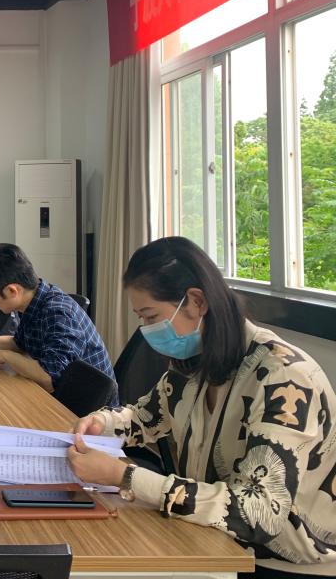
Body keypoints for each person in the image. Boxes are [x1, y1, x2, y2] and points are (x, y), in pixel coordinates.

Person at [66, 236, 335, 577]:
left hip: (282, 561)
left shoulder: (284, 378)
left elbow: (260, 512)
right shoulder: (193, 363)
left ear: (196, 301)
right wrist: (102, 423)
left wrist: (127, 476)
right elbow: (146, 417)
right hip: (211, 536)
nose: (147, 331)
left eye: (151, 316)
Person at [0, 242, 116, 399]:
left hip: (83, 409)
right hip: (58, 396)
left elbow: (49, 377)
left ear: (12, 291)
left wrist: (4, 356)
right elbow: (19, 343)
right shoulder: (33, 299)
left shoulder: (58, 313)